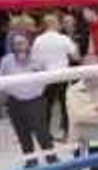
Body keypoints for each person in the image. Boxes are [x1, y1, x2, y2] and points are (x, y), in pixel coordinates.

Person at [0, 33, 57, 169]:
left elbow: (48, 78)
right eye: (16, 44)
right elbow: (0, 80)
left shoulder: (38, 59)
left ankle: (52, 158)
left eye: (22, 43)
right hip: (15, 102)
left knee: (42, 132)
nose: (20, 46)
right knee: (22, 133)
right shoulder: (6, 60)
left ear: (29, 43)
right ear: (12, 46)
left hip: (36, 101)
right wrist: (2, 99)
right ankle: (30, 160)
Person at [31, 13, 79, 141]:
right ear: (53, 24)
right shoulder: (63, 38)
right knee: (65, 106)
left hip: (47, 76)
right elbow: (75, 56)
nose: (60, 25)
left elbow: (35, 63)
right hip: (63, 75)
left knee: (47, 106)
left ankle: (45, 135)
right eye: (58, 23)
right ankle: (67, 133)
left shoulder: (38, 40)